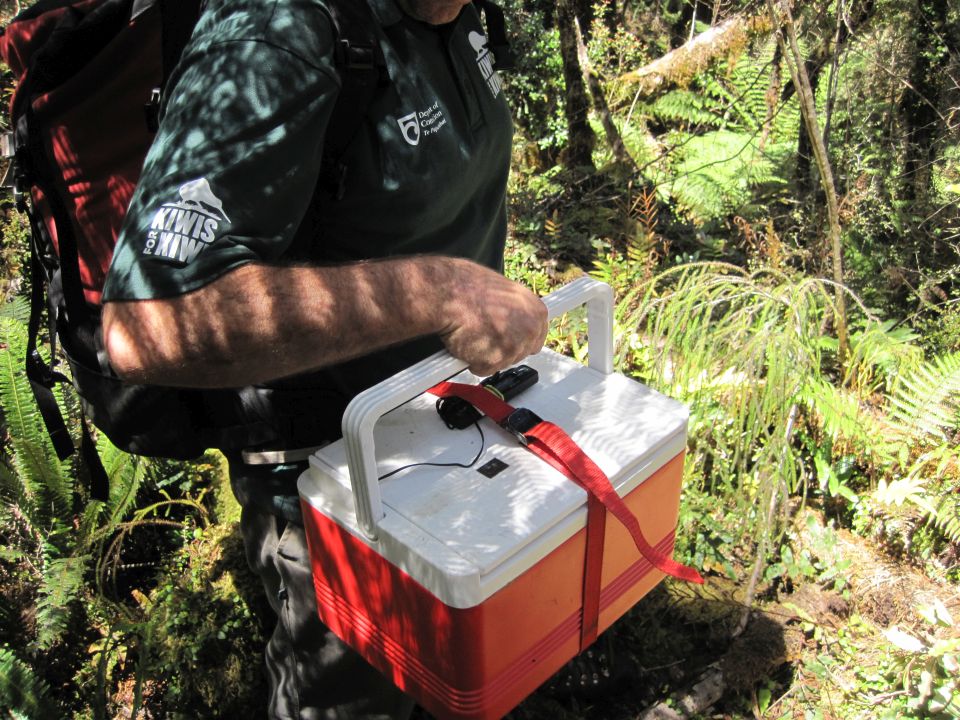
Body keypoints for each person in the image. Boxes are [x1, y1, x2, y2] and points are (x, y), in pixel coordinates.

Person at [100, 0, 547, 717]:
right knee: (358, 695)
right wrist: (442, 291)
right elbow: (146, 326)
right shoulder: (279, 35)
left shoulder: (460, 16)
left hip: (452, 426)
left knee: (459, 665)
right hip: (331, 473)